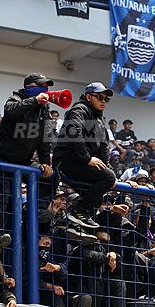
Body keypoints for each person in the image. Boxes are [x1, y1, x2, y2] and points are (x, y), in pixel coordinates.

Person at [0, 72, 54, 227]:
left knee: (51, 176)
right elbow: (10, 111)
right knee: (2, 199)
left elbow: (45, 139)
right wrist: (34, 101)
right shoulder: (17, 98)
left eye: (47, 87)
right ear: (29, 86)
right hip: (0, 158)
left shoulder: (44, 109)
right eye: (42, 86)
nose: (45, 89)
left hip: (22, 161)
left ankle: (38, 212)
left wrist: (45, 163)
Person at [53, 82, 117, 229]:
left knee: (100, 189)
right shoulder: (79, 110)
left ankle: (74, 223)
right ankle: (78, 210)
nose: (103, 101)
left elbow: (103, 146)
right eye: (100, 97)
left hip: (80, 162)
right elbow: (74, 132)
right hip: (67, 160)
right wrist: (87, 159)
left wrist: (106, 167)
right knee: (107, 178)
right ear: (88, 97)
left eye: (106, 99)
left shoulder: (100, 119)